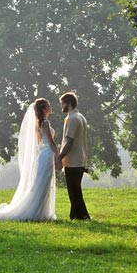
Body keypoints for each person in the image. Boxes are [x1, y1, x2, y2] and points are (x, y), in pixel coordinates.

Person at [0, 98, 59, 221]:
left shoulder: (39, 123)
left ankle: (41, 212)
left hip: (44, 154)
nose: (50, 106)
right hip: (46, 154)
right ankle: (36, 212)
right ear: (44, 109)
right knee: (42, 183)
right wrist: (59, 155)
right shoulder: (45, 123)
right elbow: (51, 142)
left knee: (42, 183)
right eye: (48, 105)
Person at [55, 91, 91, 220]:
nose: (61, 106)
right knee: (75, 188)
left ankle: (82, 215)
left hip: (73, 160)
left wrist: (60, 157)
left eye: (63, 104)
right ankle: (76, 214)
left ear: (69, 103)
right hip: (79, 158)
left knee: (73, 189)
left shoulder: (72, 118)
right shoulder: (80, 117)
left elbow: (69, 141)